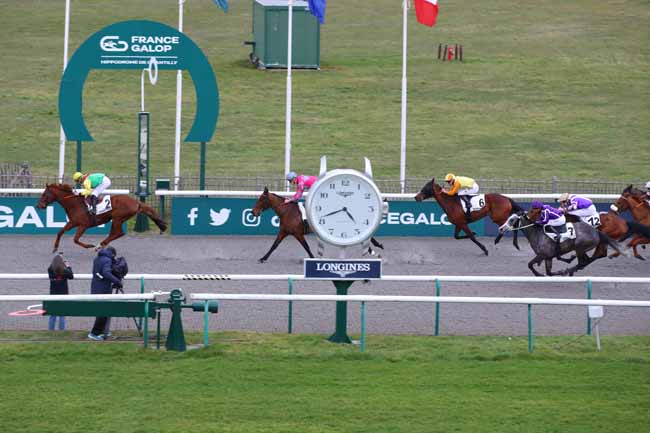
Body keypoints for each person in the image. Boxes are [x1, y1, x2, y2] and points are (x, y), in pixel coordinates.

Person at [88, 246, 122, 341]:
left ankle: (103, 331)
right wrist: (117, 281)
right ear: (113, 254)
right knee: (103, 312)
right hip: (103, 289)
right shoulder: (107, 260)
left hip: (95, 288)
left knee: (102, 311)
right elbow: (106, 273)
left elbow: (99, 273)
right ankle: (94, 333)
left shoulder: (97, 258)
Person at [47, 253, 74, 331]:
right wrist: (68, 266)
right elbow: (71, 276)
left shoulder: (50, 269)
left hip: (53, 293)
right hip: (63, 294)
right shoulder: (64, 269)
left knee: (53, 314)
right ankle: (61, 331)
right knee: (62, 314)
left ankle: (51, 330)